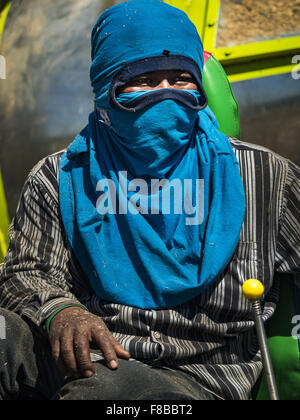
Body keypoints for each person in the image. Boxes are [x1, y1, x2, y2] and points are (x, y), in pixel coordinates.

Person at [0, 0, 299, 401]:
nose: (165, 94)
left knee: (110, 392)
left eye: (181, 78)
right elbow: (25, 271)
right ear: (107, 90)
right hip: (76, 355)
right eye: (142, 79)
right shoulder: (59, 178)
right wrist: (60, 310)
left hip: (195, 377)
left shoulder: (266, 177)